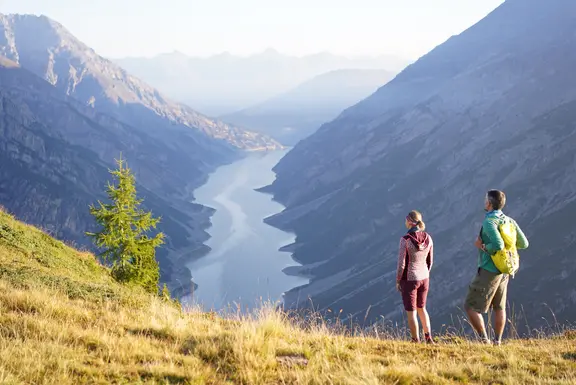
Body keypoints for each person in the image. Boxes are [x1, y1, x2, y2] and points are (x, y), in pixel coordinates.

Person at [465, 190, 529, 345]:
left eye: (485, 199)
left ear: (489, 203)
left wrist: (483, 246)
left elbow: (498, 245)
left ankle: (484, 340)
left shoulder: (489, 222)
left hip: (489, 270)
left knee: (470, 306)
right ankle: (497, 342)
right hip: (504, 270)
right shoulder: (509, 221)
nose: (484, 201)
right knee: (499, 307)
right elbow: (523, 243)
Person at [396, 210, 434, 343]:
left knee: (411, 312)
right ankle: (428, 337)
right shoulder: (428, 238)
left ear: (409, 221)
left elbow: (401, 264)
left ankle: (415, 340)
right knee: (422, 308)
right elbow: (430, 261)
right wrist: (425, 273)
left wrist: (398, 280)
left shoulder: (405, 240)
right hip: (424, 278)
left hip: (410, 279)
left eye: (406, 219)